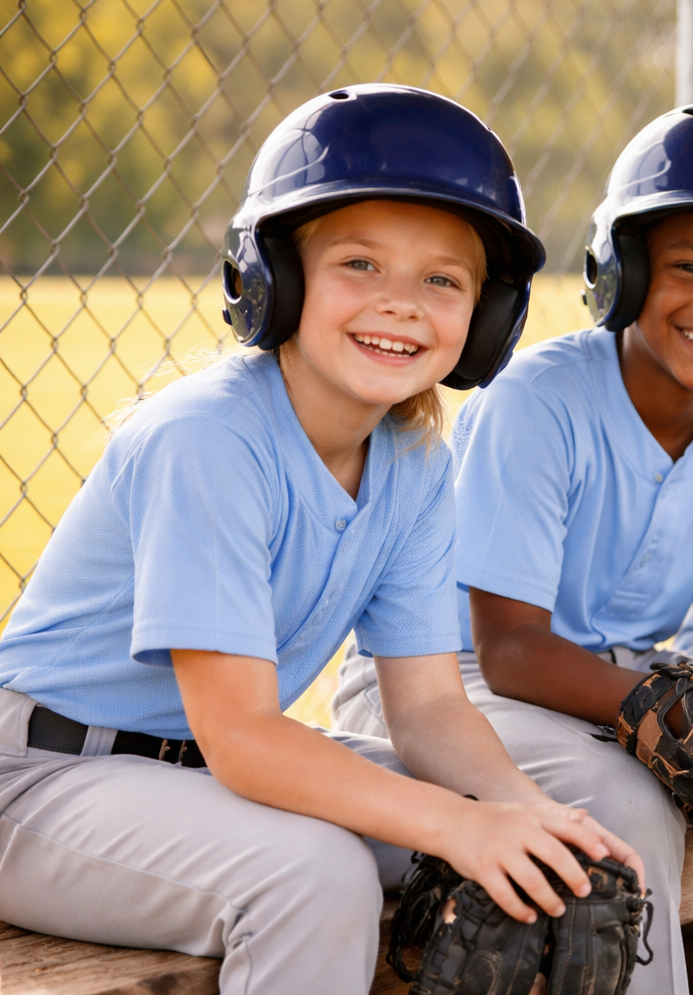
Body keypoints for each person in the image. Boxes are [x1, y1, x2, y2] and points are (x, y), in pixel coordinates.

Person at [0, 84, 640, 995]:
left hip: (199, 785)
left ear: (484, 319)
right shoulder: (207, 439)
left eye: (442, 280)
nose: (403, 305)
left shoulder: (415, 458)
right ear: (273, 278)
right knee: (314, 873)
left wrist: (522, 812)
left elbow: (424, 709)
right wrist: (458, 827)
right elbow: (246, 740)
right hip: (43, 782)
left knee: (532, 850)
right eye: (359, 265)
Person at [333, 101, 693, 995]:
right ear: (623, 269)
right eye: (689, 267)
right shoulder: (542, 400)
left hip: (624, 684)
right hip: (452, 689)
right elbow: (509, 648)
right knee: (625, 799)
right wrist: (671, 731)